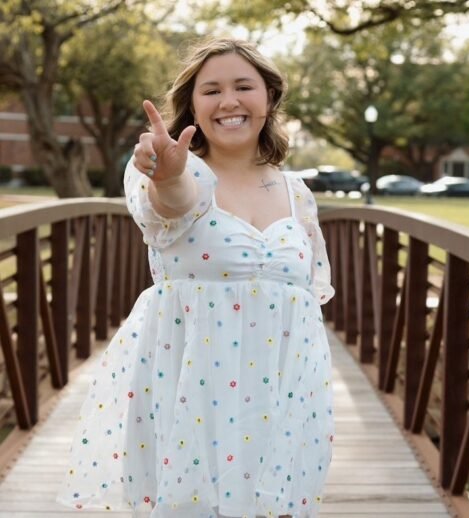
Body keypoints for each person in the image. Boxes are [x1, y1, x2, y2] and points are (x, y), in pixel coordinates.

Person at [56, 37, 335, 518]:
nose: (229, 101)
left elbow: (308, 301)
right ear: (192, 106)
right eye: (212, 90)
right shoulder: (176, 172)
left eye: (244, 86)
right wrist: (166, 175)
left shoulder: (296, 192)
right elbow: (175, 203)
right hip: (192, 388)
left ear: (268, 98)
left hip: (279, 392)